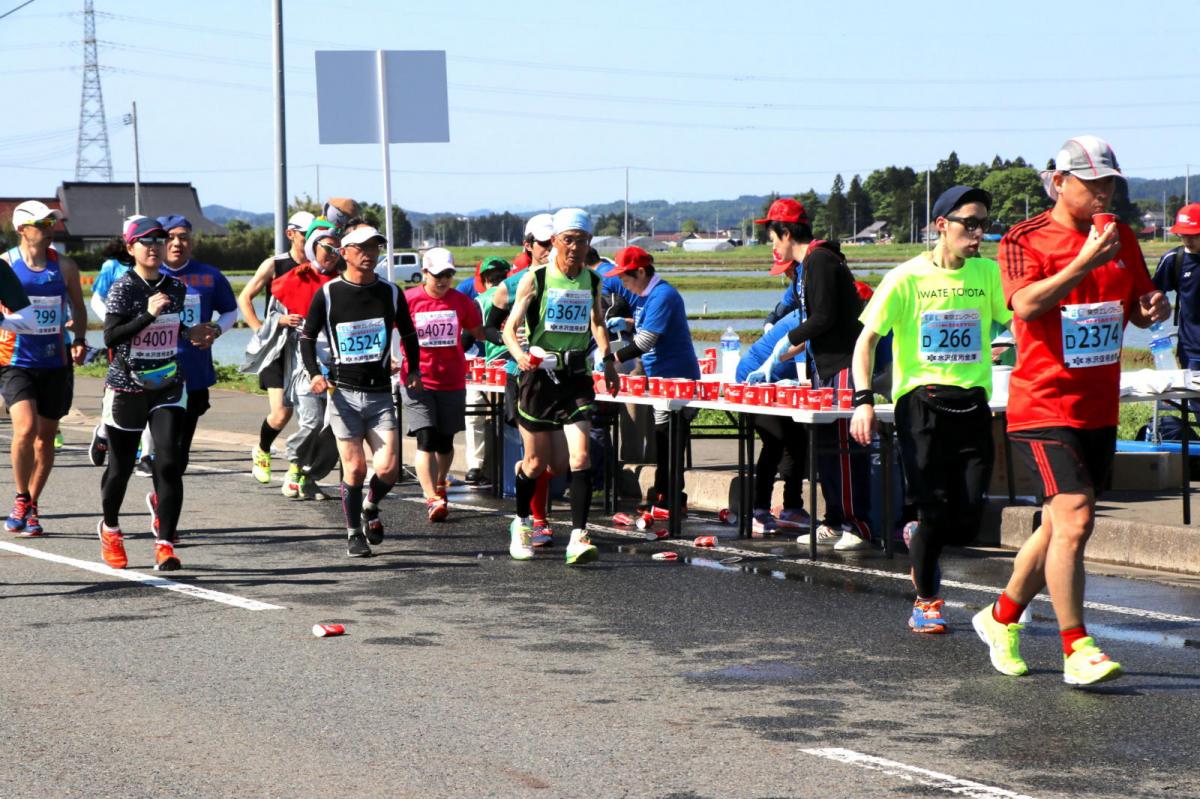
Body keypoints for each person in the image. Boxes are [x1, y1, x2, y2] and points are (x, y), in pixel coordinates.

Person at [973, 135, 1168, 685]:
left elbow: (1139, 304)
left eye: (1111, 182)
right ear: (1059, 182)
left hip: (1099, 404)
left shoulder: (1121, 236)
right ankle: (1076, 646)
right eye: (1093, 182)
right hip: (1043, 401)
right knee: (1077, 515)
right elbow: (1027, 304)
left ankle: (1001, 616)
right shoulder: (1023, 238)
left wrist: (1152, 308)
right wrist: (1083, 261)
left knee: (1060, 524)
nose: (1105, 192)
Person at [849, 186, 1012, 634]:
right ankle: (927, 600)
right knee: (934, 511)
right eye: (970, 224)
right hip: (921, 406)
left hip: (973, 405)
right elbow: (866, 342)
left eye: (984, 225)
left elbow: (1015, 320)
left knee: (970, 517)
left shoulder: (988, 274)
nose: (979, 233)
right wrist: (863, 401)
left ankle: (918, 533)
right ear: (942, 225)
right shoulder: (905, 278)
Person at [96, 217, 215, 571]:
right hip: (127, 387)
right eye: (145, 242)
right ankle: (111, 527)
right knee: (120, 468)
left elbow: (173, 328)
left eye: (159, 241)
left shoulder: (176, 287)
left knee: (169, 462)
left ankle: (165, 543)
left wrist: (192, 333)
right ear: (131, 248)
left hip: (167, 385)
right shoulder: (123, 287)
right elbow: (111, 338)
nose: (154, 247)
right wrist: (147, 314)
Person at [503, 208, 619, 563]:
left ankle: (579, 536)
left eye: (582, 241)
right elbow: (509, 328)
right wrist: (519, 354)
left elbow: (598, 322)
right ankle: (521, 522)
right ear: (554, 242)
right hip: (539, 378)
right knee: (536, 464)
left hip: (576, 377)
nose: (575, 247)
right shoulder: (535, 279)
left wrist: (608, 358)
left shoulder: (593, 280)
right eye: (568, 240)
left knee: (580, 457)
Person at [758, 198, 874, 551]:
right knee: (826, 450)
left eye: (773, 237)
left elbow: (823, 317)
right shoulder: (808, 264)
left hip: (842, 365)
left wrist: (787, 340)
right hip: (824, 367)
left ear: (787, 232)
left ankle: (859, 525)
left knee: (843, 448)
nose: (773, 245)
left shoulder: (820, 260)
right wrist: (787, 351)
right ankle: (836, 519)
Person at [300, 225, 421, 557]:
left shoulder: (391, 292)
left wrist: (414, 369)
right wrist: (315, 374)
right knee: (355, 469)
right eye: (362, 248)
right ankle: (354, 532)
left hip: (381, 393)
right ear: (346, 253)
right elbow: (307, 338)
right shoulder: (328, 294)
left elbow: (409, 334)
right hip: (344, 394)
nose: (370, 254)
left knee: (388, 469)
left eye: (375, 247)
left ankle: (371, 505)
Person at [0, 200, 87, 536]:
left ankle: (33, 506)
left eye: (52, 223)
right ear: (23, 229)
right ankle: (21, 497)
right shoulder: (5, 264)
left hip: (55, 360)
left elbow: (78, 308)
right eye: (42, 223)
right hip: (16, 361)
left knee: (45, 438)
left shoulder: (64, 266)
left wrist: (79, 338)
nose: (50, 228)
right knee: (24, 428)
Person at [606, 246, 701, 514]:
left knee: (671, 440)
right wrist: (626, 324)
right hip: (662, 380)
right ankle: (665, 496)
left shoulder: (663, 295)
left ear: (640, 271)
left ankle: (671, 497)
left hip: (677, 378)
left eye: (625, 279)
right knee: (663, 439)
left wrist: (610, 360)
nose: (623, 285)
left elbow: (647, 341)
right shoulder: (646, 296)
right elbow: (645, 325)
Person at [481, 217, 557, 545]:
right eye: (544, 243)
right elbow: (488, 328)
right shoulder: (510, 286)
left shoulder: (571, 282)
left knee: (558, 460)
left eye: (557, 241)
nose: (550, 249)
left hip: (560, 376)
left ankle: (527, 485)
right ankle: (535, 521)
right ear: (528, 245)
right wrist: (512, 339)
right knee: (538, 456)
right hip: (521, 375)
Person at [400, 248, 487, 520]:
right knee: (426, 439)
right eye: (437, 275)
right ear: (425, 273)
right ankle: (431, 498)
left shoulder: (462, 301)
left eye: (448, 274)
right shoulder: (408, 299)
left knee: (445, 442)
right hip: (417, 380)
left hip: (451, 379)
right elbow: (383, 327)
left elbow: (478, 331)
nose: (442, 280)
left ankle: (441, 481)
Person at [157, 215, 238, 477]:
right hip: (154, 372)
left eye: (183, 237)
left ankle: (165, 500)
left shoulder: (209, 275)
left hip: (194, 372)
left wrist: (214, 330)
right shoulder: (147, 276)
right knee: (163, 444)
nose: (177, 243)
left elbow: (230, 312)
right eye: (170, 237)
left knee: (180, 448)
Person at [239, 210, 314, 484]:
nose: (310, 239)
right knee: (282, 412)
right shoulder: (275, 264)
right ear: (290, 234)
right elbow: (245, 297)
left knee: (313, 416)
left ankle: (298, 468)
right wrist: (264, 328)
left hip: (310, 349)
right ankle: (262, 449)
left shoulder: (323, 265)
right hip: (278, 347)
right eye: (305, 234)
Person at [275, 221, 342, 500]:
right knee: (312, 422)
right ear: (313, 248)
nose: (332, 253)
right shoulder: (294, 278)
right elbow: (272, 315)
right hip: (306, 362)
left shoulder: (344, 281)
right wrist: (281, 319)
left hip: (340, 363)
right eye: (326, 247)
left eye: (337, 248)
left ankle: (310, 476)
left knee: (337, 430)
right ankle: (293, 464)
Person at [737, 310, 810, 535]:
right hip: (756, 377)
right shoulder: (809, 317)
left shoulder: (827, 312)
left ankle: (792, 508)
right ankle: (759, 511)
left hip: (784, 382)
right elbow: (801, 352)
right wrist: (803, 381)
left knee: (798, 439)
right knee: (775, 439)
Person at [463, 256, 513, 488]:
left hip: (487, 367)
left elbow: (464, 341)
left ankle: (477, 466)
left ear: (483, 279)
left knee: (475, 415)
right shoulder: (519, 295)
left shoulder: (478, 302)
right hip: (514, 363)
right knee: (507, 417)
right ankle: (503, 467)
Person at [1152, 202, 1200, 370]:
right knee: (1193, 395)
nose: (1188, 240)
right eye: (1183, 235)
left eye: (1194, 235)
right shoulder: (1173, 259)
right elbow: (1152, 294)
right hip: (1191, 349)